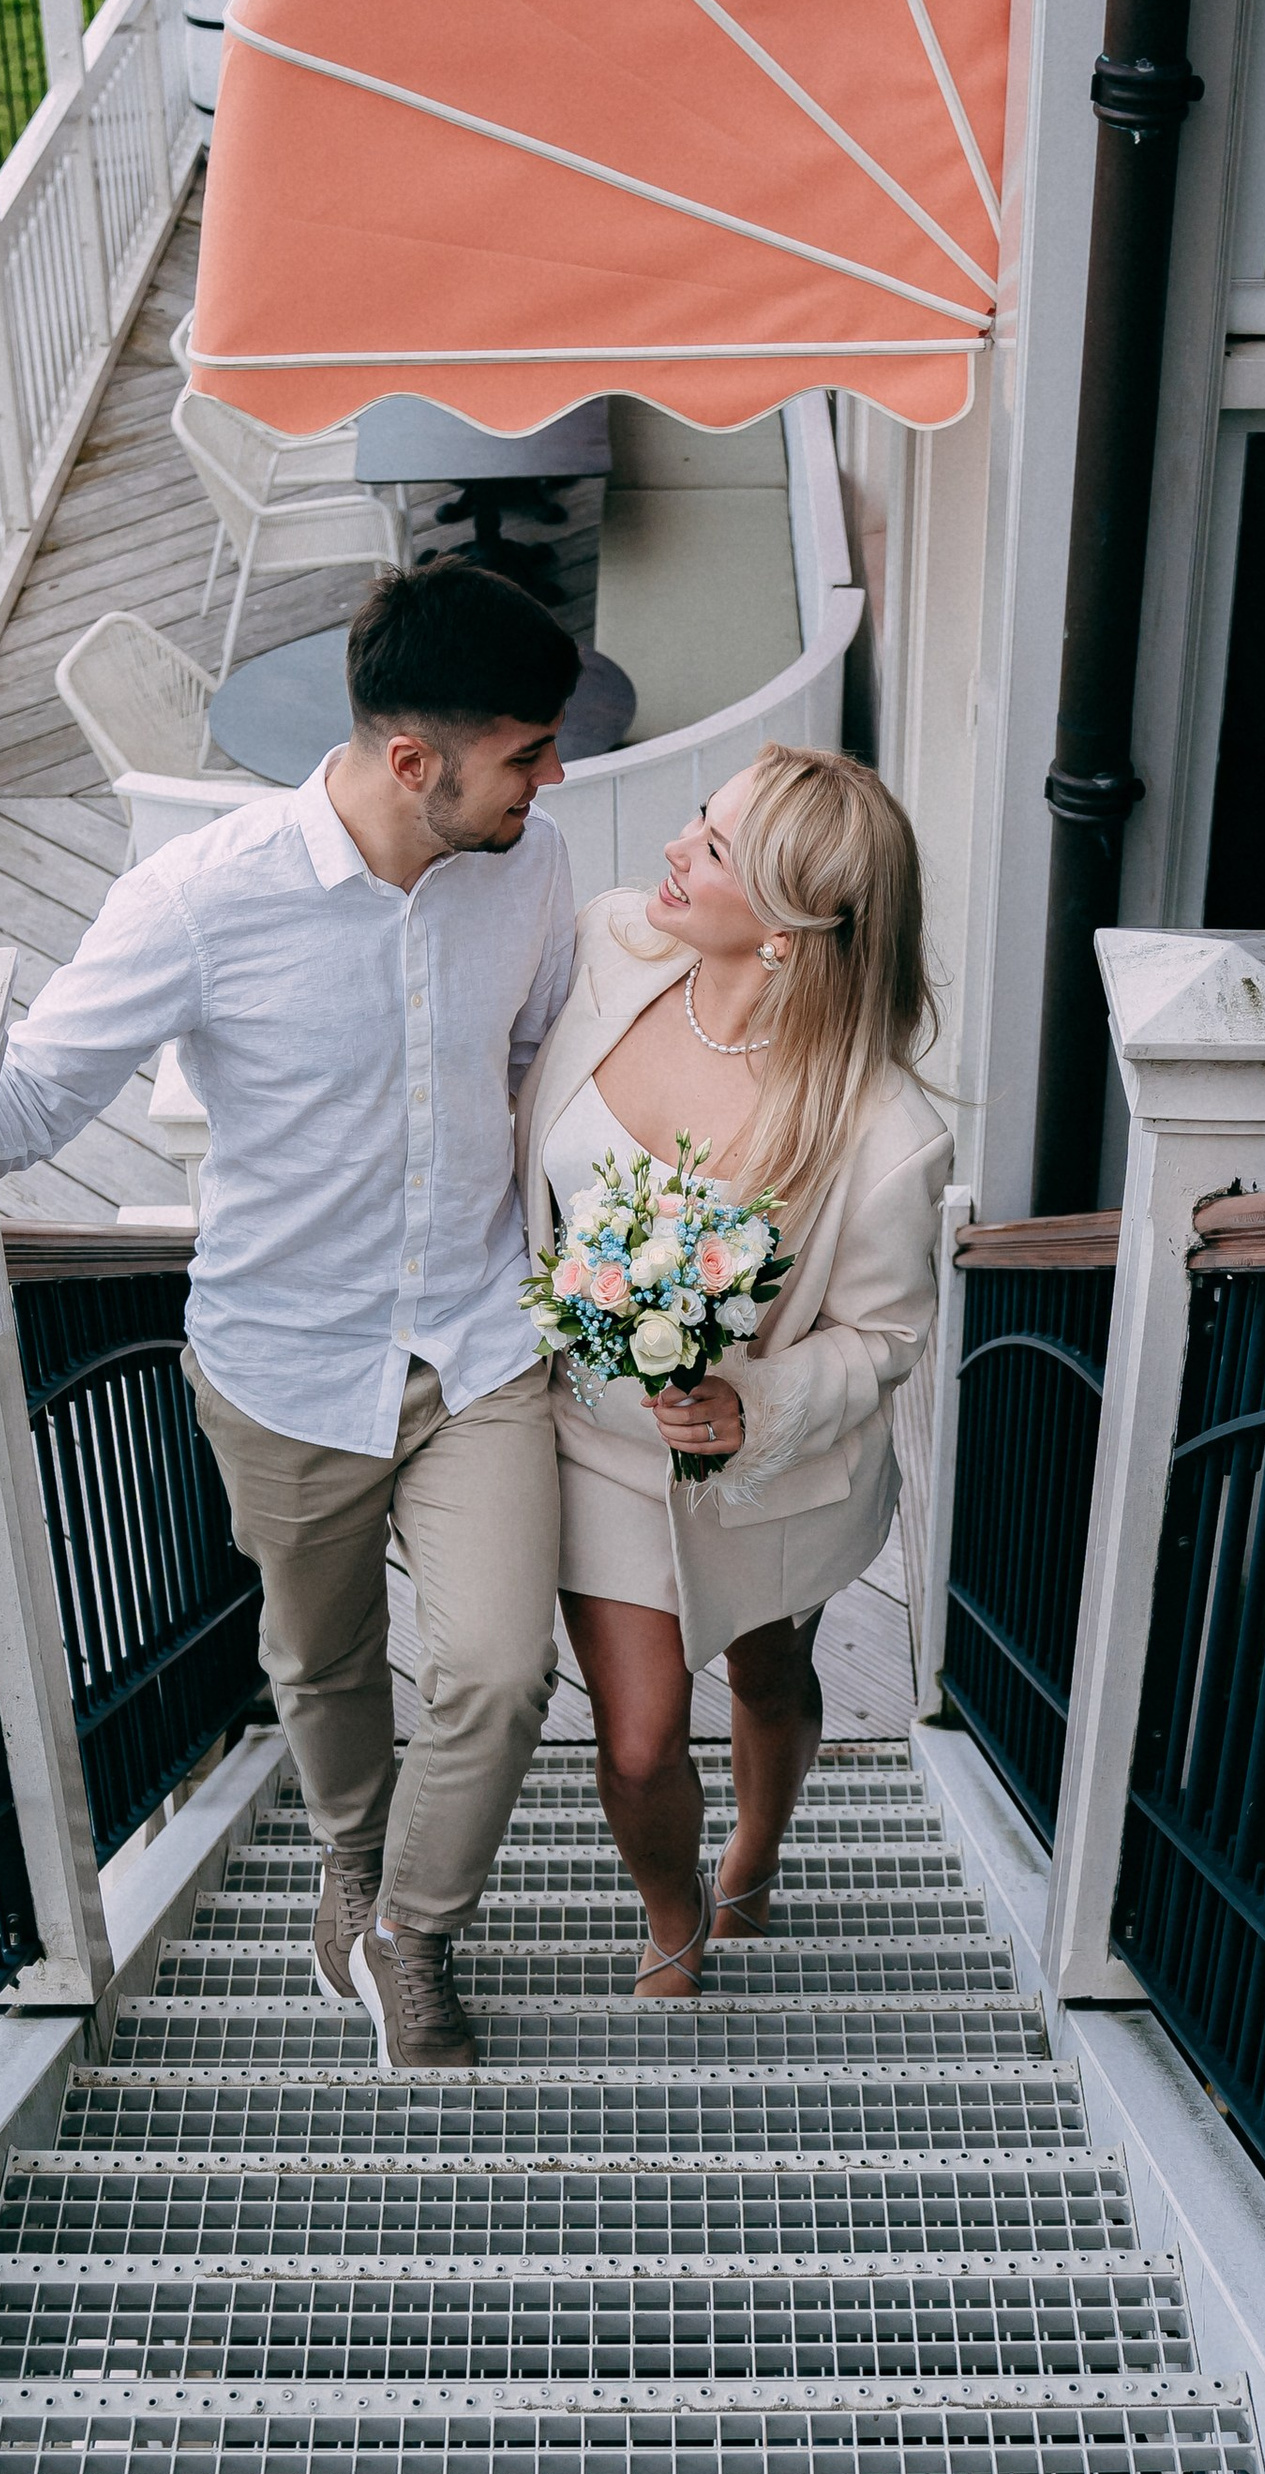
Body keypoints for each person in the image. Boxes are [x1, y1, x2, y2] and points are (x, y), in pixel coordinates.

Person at [0, 561, 583, 2067]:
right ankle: (352, 1853)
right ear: (414, 760)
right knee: (322, 1661)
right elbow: (29, 1101)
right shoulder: (198, 898)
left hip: (480, 1344)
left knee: (495, 1666)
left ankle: (409, 1927)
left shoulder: (528, 869)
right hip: (285, 1359)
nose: (552, 778)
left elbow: (539, 1052)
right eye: (528, 752)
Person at [515, 743, 951, 1994]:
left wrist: (744, 1404)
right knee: (641, 1740)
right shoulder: (608, 949)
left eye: (712, 850)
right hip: (590, 1445)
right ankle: (672, 1918)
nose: (672, 850)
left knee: (770, 1667)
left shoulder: (882, 1129)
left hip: (771, 1472)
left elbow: (884, 1337)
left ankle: (754, 1854)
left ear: (785, 931)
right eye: (698, 821)